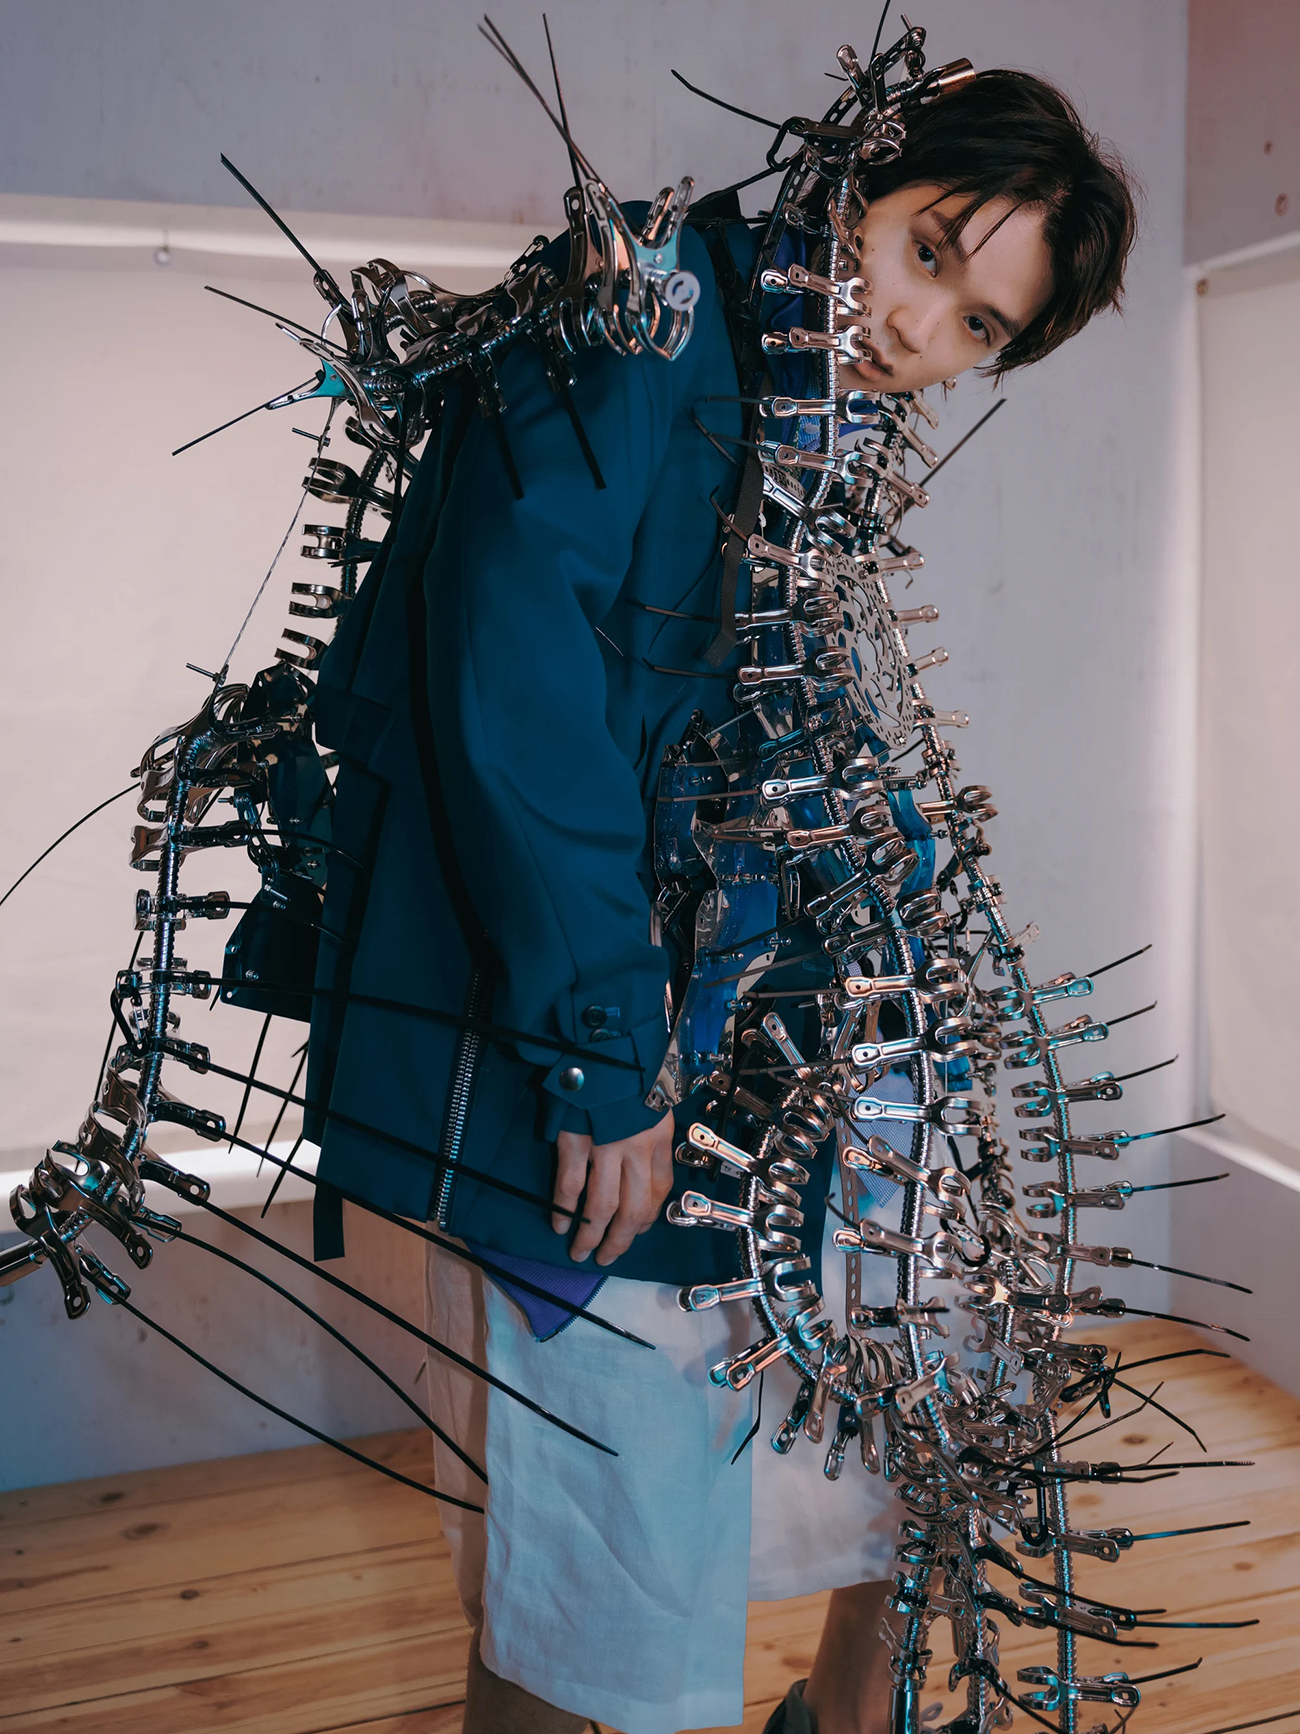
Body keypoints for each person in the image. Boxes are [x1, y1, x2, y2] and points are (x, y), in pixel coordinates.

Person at [304, 59, 1137, 1734]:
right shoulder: (643, 324)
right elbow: (517, 692)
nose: (919, 329)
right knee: (595, 1556)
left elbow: (787, 733)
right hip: (588, 1053)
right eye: (927, 250)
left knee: (939, 1424)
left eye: (978, 325)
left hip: (786, 1066)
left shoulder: (818, 429)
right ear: (865, 166)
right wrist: (603, 1052)